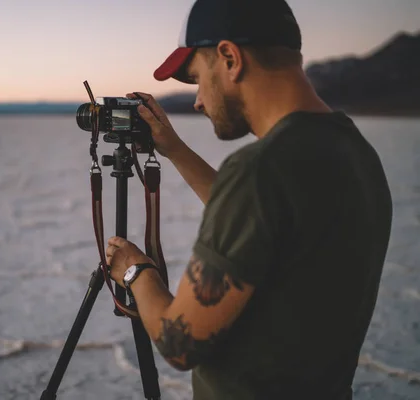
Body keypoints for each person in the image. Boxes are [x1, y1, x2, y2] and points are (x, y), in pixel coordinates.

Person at [104, 0, 393, 399]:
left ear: (229, 58)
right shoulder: (353, 151)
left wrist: (137, 272)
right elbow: (264, 221)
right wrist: (176, 149)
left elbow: (179, 343)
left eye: (198, 78)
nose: (198, 101)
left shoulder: (259, 172)